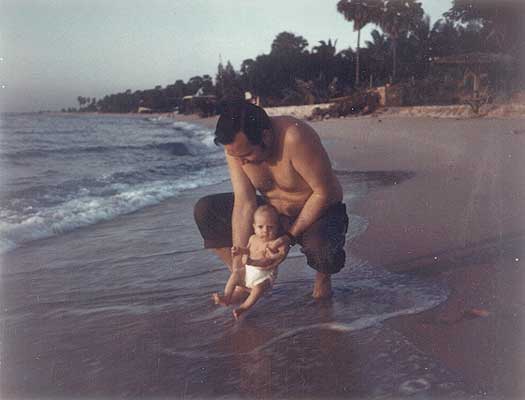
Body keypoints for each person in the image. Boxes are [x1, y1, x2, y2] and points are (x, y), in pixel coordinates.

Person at [194, 101, 348, 299]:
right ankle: (251, 280)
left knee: (323, 252)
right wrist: (240, 265)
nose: (241, 162)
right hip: (273, 215)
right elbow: (244, 203)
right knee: (206, 210)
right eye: (235, 155)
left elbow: (323, 193)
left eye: (247, 154)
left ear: (265, 136)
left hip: (318, 212)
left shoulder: (294, 136)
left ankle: (322, 280)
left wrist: (289, 237)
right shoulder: (236, 148)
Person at [212, 205, 287, 319]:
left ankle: (244, 307)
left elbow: (266, 262)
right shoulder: (253, 238)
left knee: (258, 289)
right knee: (236, 274)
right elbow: (248, 249)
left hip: (264, 277)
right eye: (260, 227)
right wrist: (239, 251)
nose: (265, 231)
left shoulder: (272, 244)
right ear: (254, 227)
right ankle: (227, 297)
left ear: (277, 228)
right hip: (249, 272)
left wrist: (252, 262)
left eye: (270, 227)